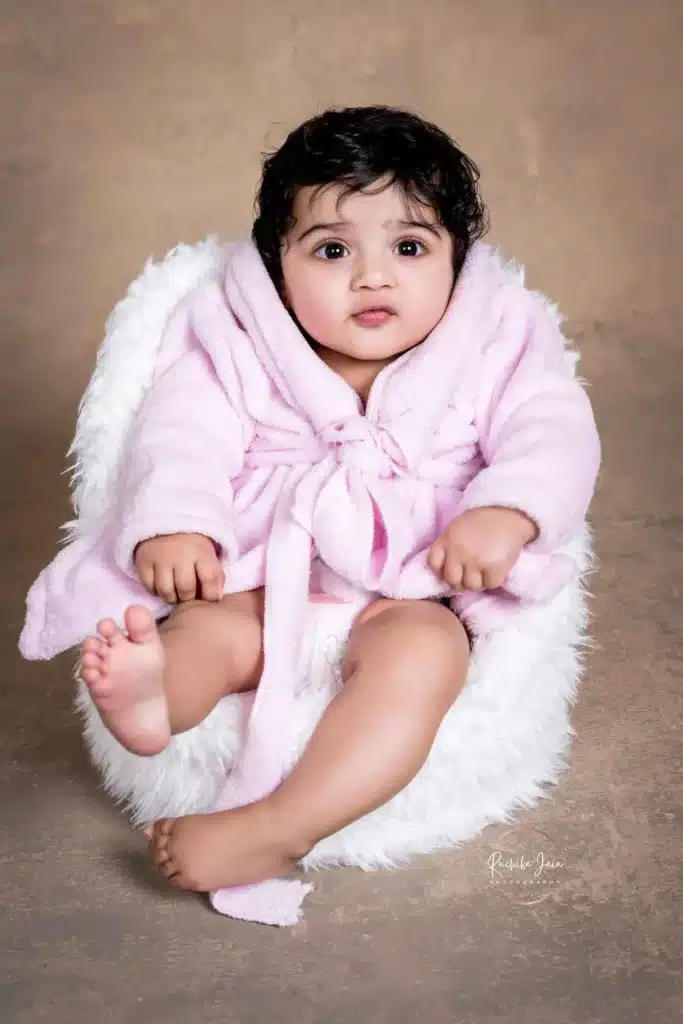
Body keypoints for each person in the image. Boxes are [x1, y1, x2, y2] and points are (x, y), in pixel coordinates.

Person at [19, 105, 601, 898]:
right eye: (332, 250)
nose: (371, 276)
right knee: (207, 630)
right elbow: (180, 430)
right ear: (277, 265)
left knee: (424, 655)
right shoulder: (239, 335)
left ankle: (277, 827)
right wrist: (176, 523)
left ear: (457, 259)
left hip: (407, 588)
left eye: (408, 247)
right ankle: (156, 700)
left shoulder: (495, 336)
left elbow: (552, 428)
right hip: (264, 579)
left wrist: (507, 512)